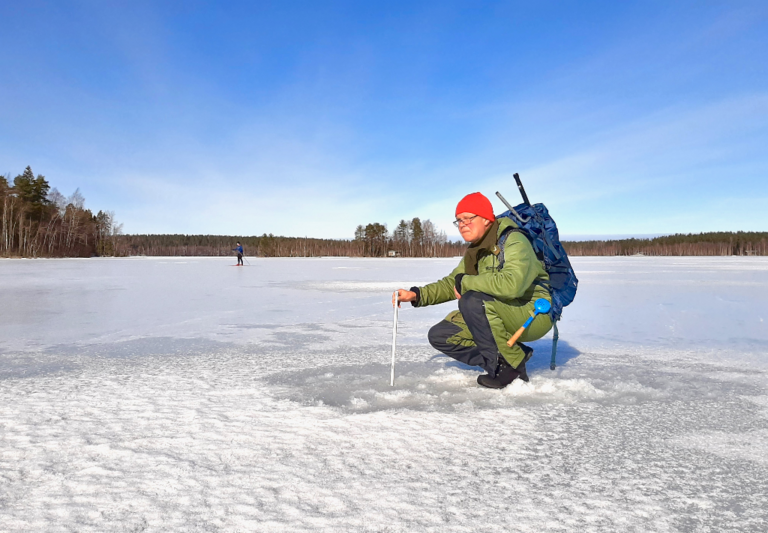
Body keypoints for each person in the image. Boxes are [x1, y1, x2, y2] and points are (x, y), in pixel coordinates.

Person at [393, 192, 553, 389]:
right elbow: (453, 282)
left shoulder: (514, 240)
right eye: (459, 220)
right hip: (501, 310)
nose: (462, 224)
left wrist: (466, 282)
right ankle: (504, 359)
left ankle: (512, 367)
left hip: (533, 313)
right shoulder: (476, 250)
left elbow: (512, 285)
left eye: (468, 218)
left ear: (486, 219)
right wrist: (416, 295)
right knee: (441, 335)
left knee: (472, 301)